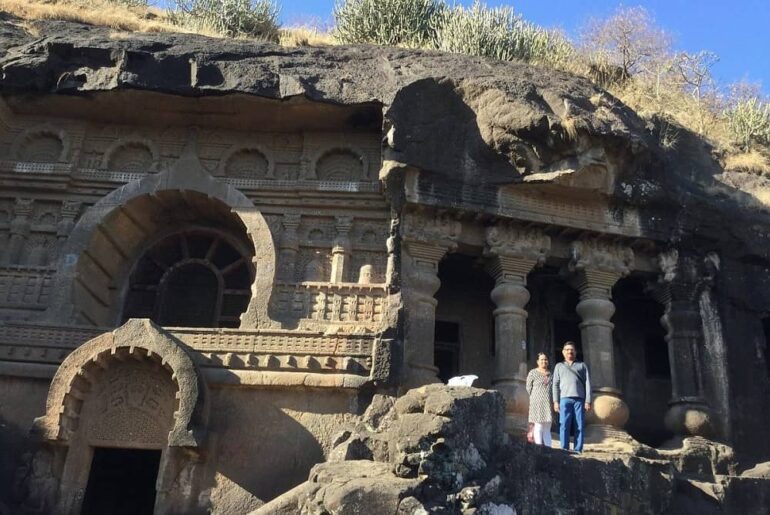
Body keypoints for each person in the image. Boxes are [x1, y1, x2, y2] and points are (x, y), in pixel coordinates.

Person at [552, 341, 591, 453]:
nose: (570, 352)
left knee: (579, 425)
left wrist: (588, 400)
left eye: (572, 350)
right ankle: (564, 448)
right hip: (564, 399)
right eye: (567, 350)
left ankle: (578, 449)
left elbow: (587, 383)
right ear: (563, 352)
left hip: (579, 399)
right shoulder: (559, 366)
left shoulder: (582, 365)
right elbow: (555, 384)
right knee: (564, 424)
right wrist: (555, 401)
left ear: (575, 352)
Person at [525, 352, 553, 446]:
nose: (544, 361)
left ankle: (549, 448)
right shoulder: (533, 373)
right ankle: (539, 447)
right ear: (538, 361)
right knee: (538, 426)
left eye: (545, 359)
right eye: (542, 359)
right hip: (536, 403)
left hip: (548, 403)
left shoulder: (551, 374)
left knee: (547, 427)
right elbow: (528, 387)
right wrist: (535, 397)